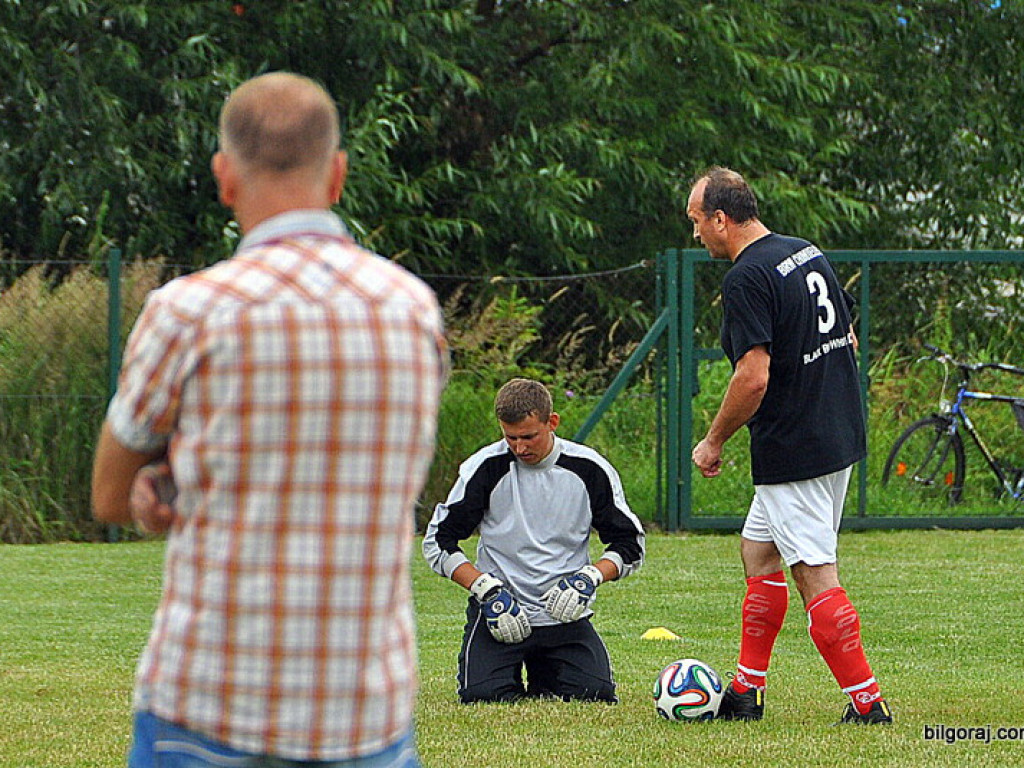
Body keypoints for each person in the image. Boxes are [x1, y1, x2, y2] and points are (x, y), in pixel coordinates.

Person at [91, 72, 447, 767]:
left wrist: (164, 489)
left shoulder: (187, 311)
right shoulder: (413, 312)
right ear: (338, 175)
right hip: (365, 714)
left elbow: (109, 494)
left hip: (207, 704)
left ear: (225, 179)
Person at [687, 167, 892, 725]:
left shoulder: (745, 277)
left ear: (721, 219)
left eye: (697, 221)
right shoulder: (804, 251)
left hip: (794, 447)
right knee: (758, 551)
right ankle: (746, 691)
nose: (696, 234)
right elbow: (845, 335)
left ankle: (868, 704)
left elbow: (753, 377)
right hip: (837, 431)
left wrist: (713, 441)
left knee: (813, 573)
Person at [422, 378, 645, 704]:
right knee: (483, 696)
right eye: (510, 437)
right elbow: (437, 542)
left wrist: (589, 578)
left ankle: (548, 668)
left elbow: (630, 545)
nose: (519, 448)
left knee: (594, 695)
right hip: (499, 613)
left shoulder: (590, 469)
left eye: (529, 437)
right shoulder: (483, 468)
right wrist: (485, 589)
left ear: (551, 422)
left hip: (564, 618)